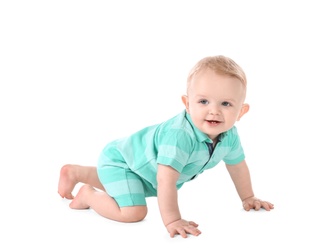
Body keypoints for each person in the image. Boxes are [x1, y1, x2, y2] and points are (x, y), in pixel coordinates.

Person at [58, 55, 274, 238]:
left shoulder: (230, 136)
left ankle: (78, 172)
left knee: (140, 188)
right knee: (134, 211)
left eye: (226, 104)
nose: (214, 111)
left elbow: (237, 166)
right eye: (203, 102)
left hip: (143, 173)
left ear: (241, 111)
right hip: (122, 162)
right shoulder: (179, 136)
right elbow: (165, 180)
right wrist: (173, 220)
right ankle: (88, 195)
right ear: (187, 103)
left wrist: (248, 197)